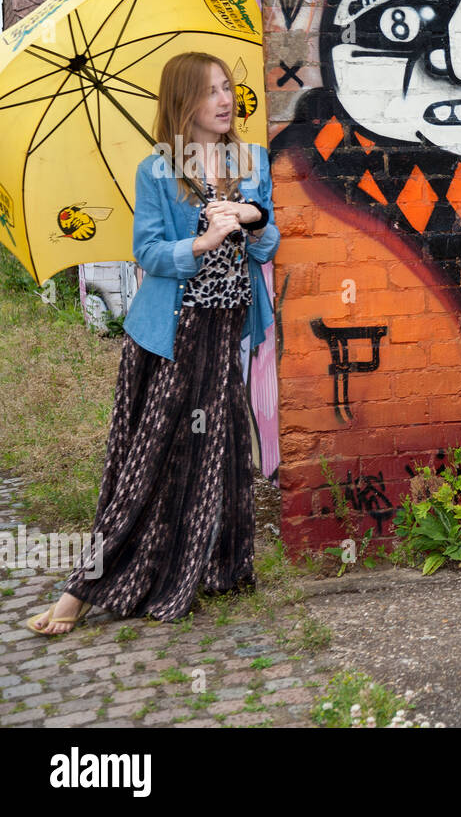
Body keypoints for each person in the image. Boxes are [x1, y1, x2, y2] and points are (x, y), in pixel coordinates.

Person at [26, 52, 280, 634]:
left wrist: (252, 217)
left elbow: (267, 249)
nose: (224, 101)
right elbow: (146, 253)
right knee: (146, 463)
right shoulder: (158, 170)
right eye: (209, 91)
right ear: (182, 101)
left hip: (226, 329)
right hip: (174, 331)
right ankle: (81, 592)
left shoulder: (251, 161)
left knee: (221, 451)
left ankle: (217, 566)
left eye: (227, 88)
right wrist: (200, 241)